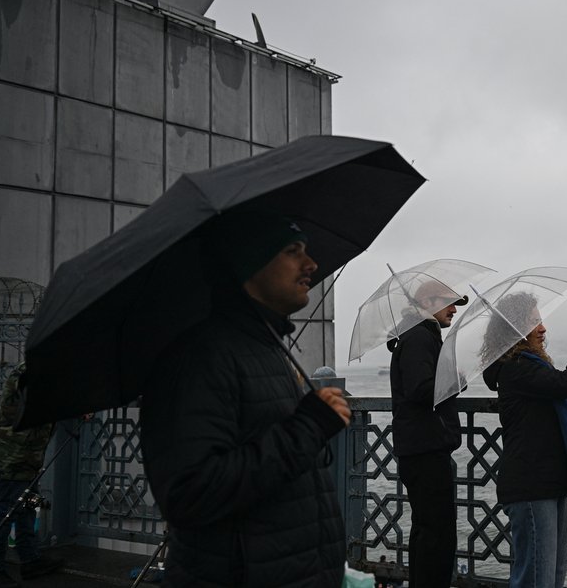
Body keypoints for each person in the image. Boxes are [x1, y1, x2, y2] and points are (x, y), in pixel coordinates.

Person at [139, 210, 351, 587]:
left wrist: (313, 428)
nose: (311, 264)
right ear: (248, 264)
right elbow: (190, 493)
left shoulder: (265, 346)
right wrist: (309, 427)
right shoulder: (201, 355)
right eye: (292, 251)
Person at [480, 293, 567, 588]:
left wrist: (560, 399)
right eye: (534, 322)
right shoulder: (517, 367)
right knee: (536, 579)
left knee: (552, 576)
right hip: (531, 484)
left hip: (547, 481)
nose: (543, 328)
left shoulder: (526, 367)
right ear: (515, 329)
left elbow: (558, 389)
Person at [385, 281, 467, 587]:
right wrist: (455, 380)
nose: (454, 309)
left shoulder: (416, 334)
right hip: (426, 448)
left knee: (426, 531)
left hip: (419, 447)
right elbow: (420, 388)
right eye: (449, 302)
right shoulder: (420, 336)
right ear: (428, 302)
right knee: (438, 535)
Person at [0, 364, 64, 588]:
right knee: (7, 510)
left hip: (28, 456)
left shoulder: (44, 371)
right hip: (13, 455)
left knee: (28, 505)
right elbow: (36, 403)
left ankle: (30, 558)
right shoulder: (27, 372)